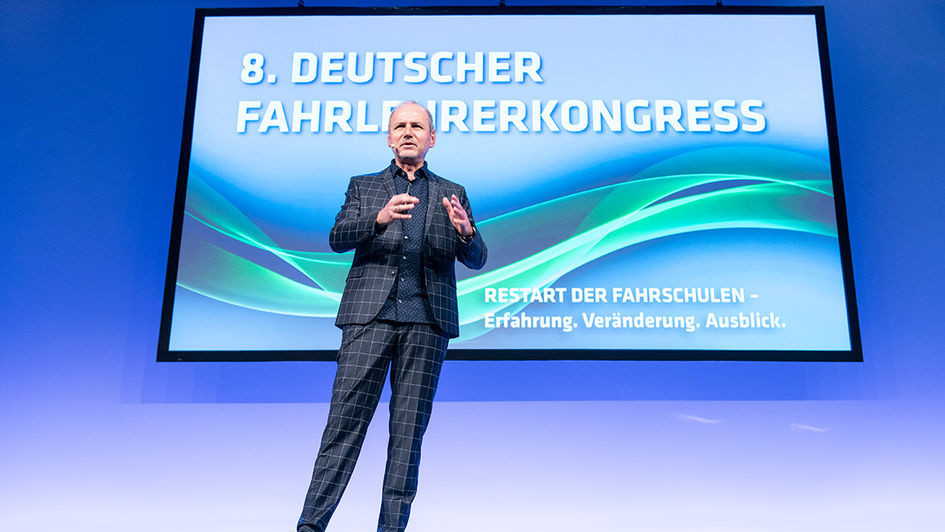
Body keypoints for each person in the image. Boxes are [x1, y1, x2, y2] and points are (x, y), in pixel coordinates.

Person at [298, 101, 487, 532]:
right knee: (344, 425)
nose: (407, 132)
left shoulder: (453, 192)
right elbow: (337, 237)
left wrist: (467, 233)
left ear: (431, 138)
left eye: (417, 126)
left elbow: (477, 259)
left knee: (407, 437)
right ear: (389, 137)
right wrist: (378, 219)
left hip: (427, 323)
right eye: (400, 125)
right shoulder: (364, 187)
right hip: (369, 319)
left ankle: (391, 528)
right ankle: (311, 524)